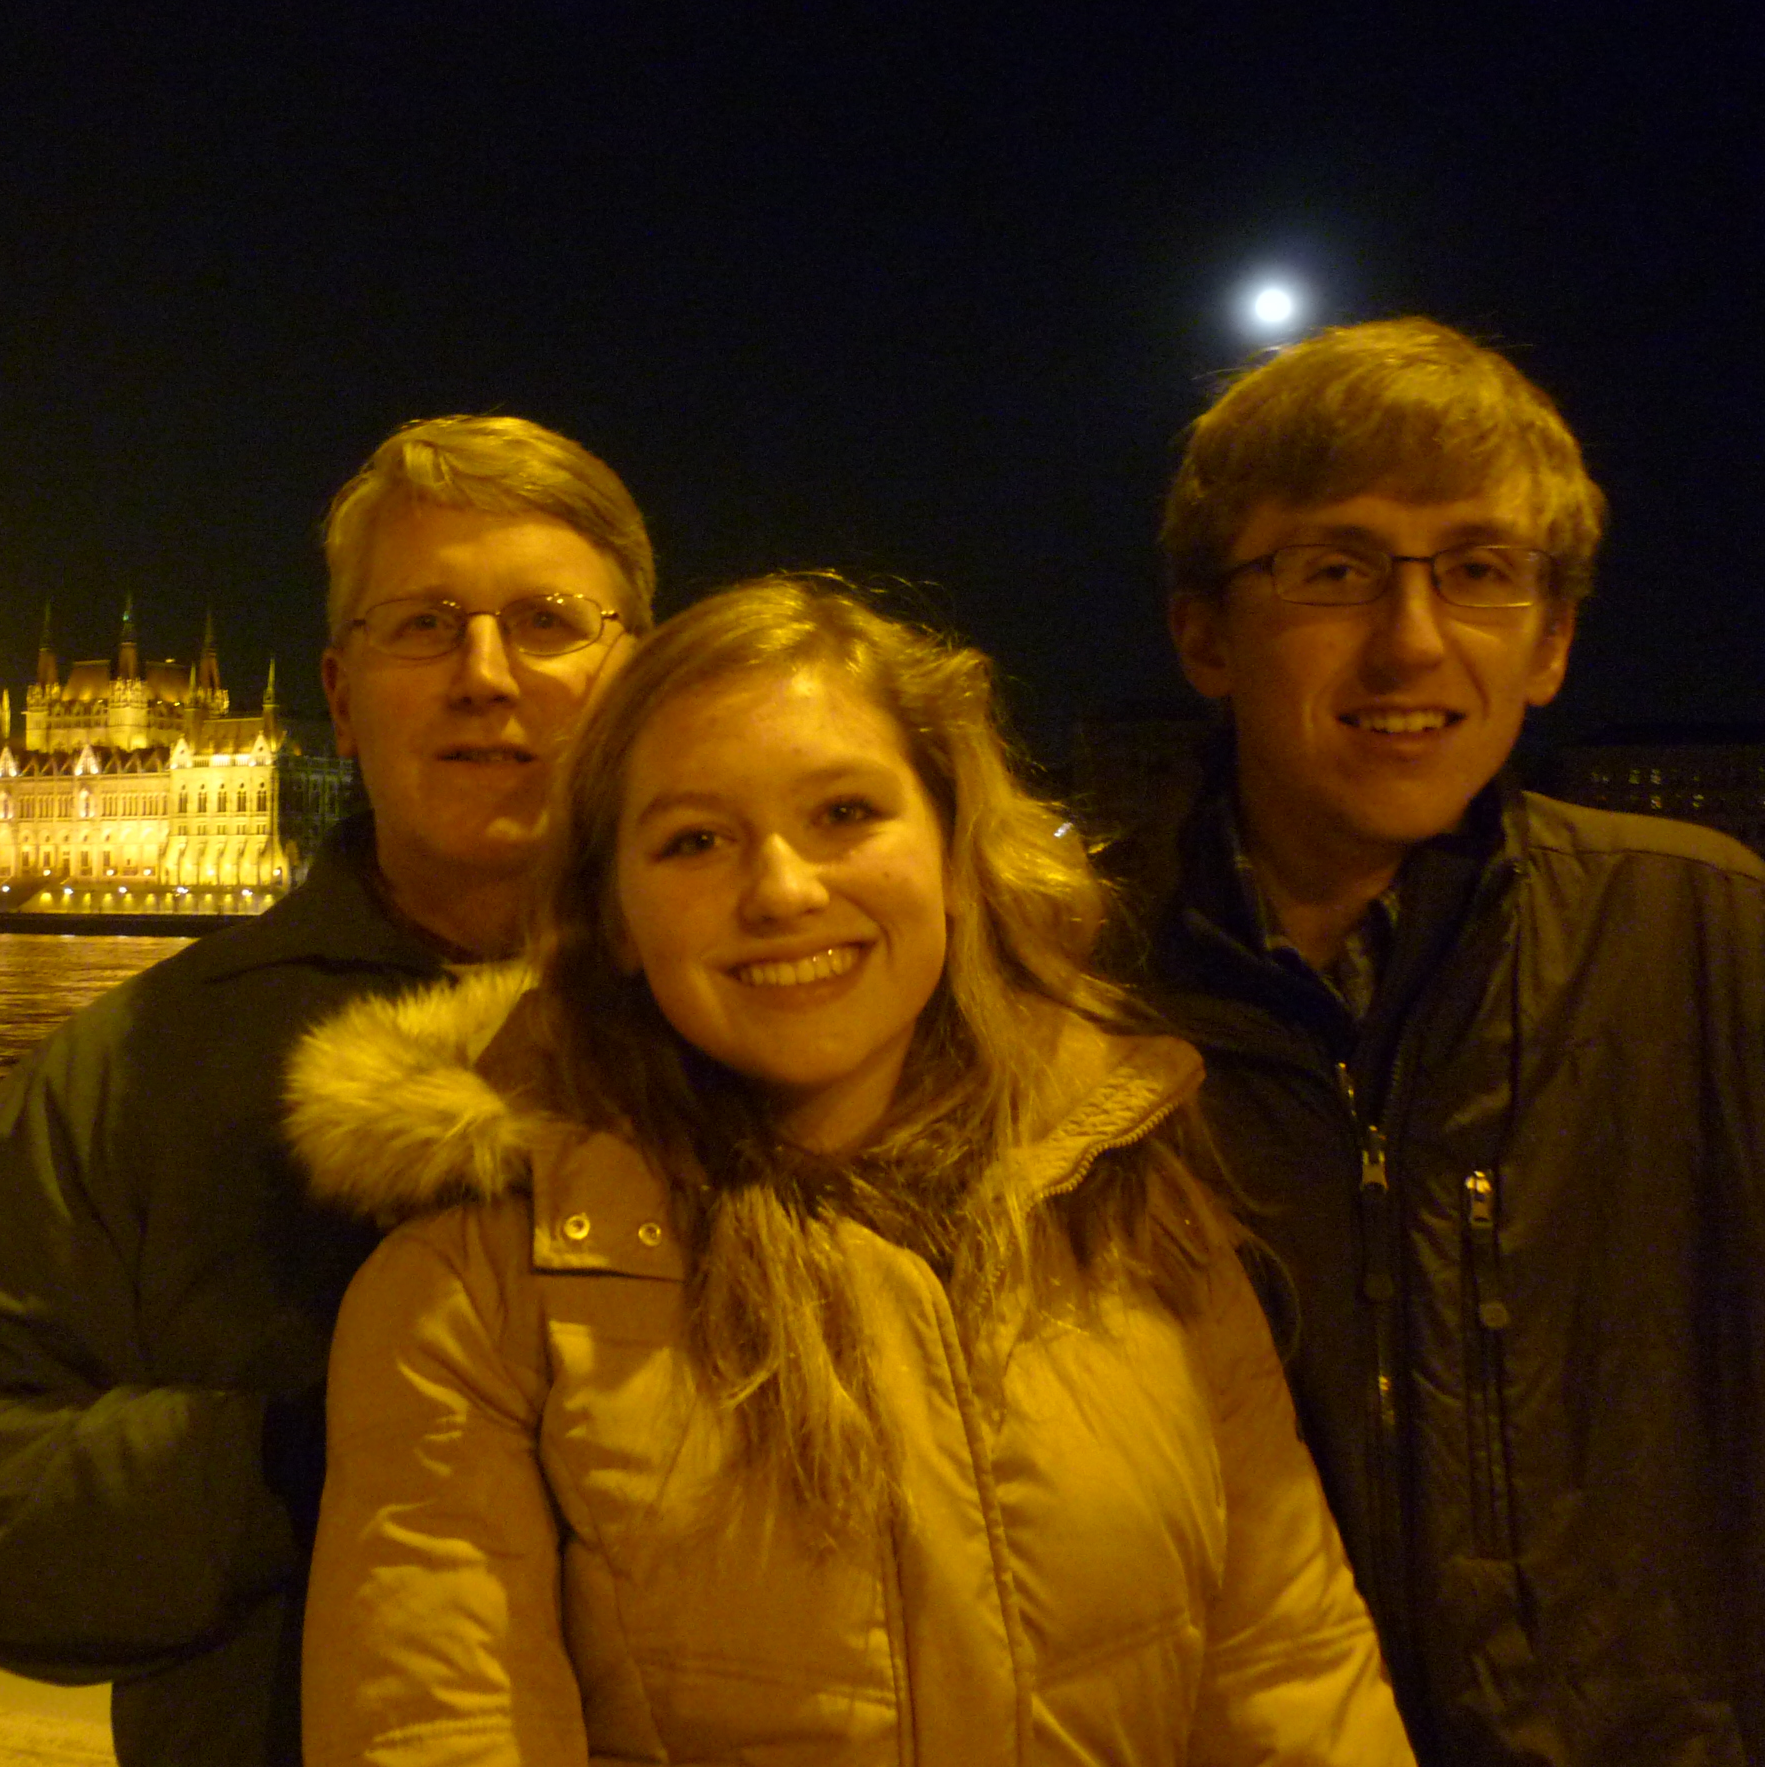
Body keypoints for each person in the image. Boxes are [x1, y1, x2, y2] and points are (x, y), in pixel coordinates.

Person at [285, 576, 1410, 1763]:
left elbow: (1294, 1682)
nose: (782, 890)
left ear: (953, 855)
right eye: (695, 840)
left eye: (843, 813)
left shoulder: (1133, 1203)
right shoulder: (473, 1293)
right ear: (614, 916)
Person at [0, 414, 654, 1767]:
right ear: (342, 699)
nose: (485, 675)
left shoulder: (781, 1027)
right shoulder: (151, 1057)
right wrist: (291, 1469)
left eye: (547, 623)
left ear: (641, 679)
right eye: (423, 626)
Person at [1147, 318, 1765, 1761]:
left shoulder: (1708, 941)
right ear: (1203, 634)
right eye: (1334, 568)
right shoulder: (1074, 998)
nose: (1411, 639)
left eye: (1480, 571)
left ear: (1551, 642)